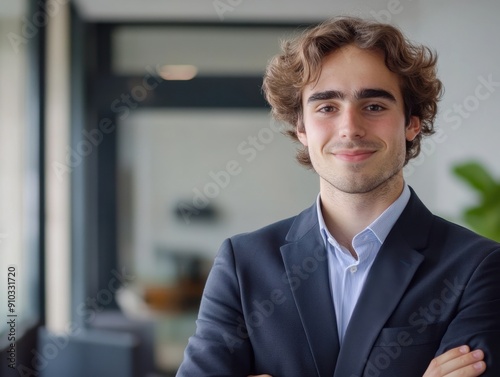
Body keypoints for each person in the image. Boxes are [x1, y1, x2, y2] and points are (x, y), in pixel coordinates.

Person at [176, 16, 500, 377]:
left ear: (412, 122)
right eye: (327, 107)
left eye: (374, 106)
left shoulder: (478, 267)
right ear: (301, 127)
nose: (350, 128)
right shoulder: (243, 265)